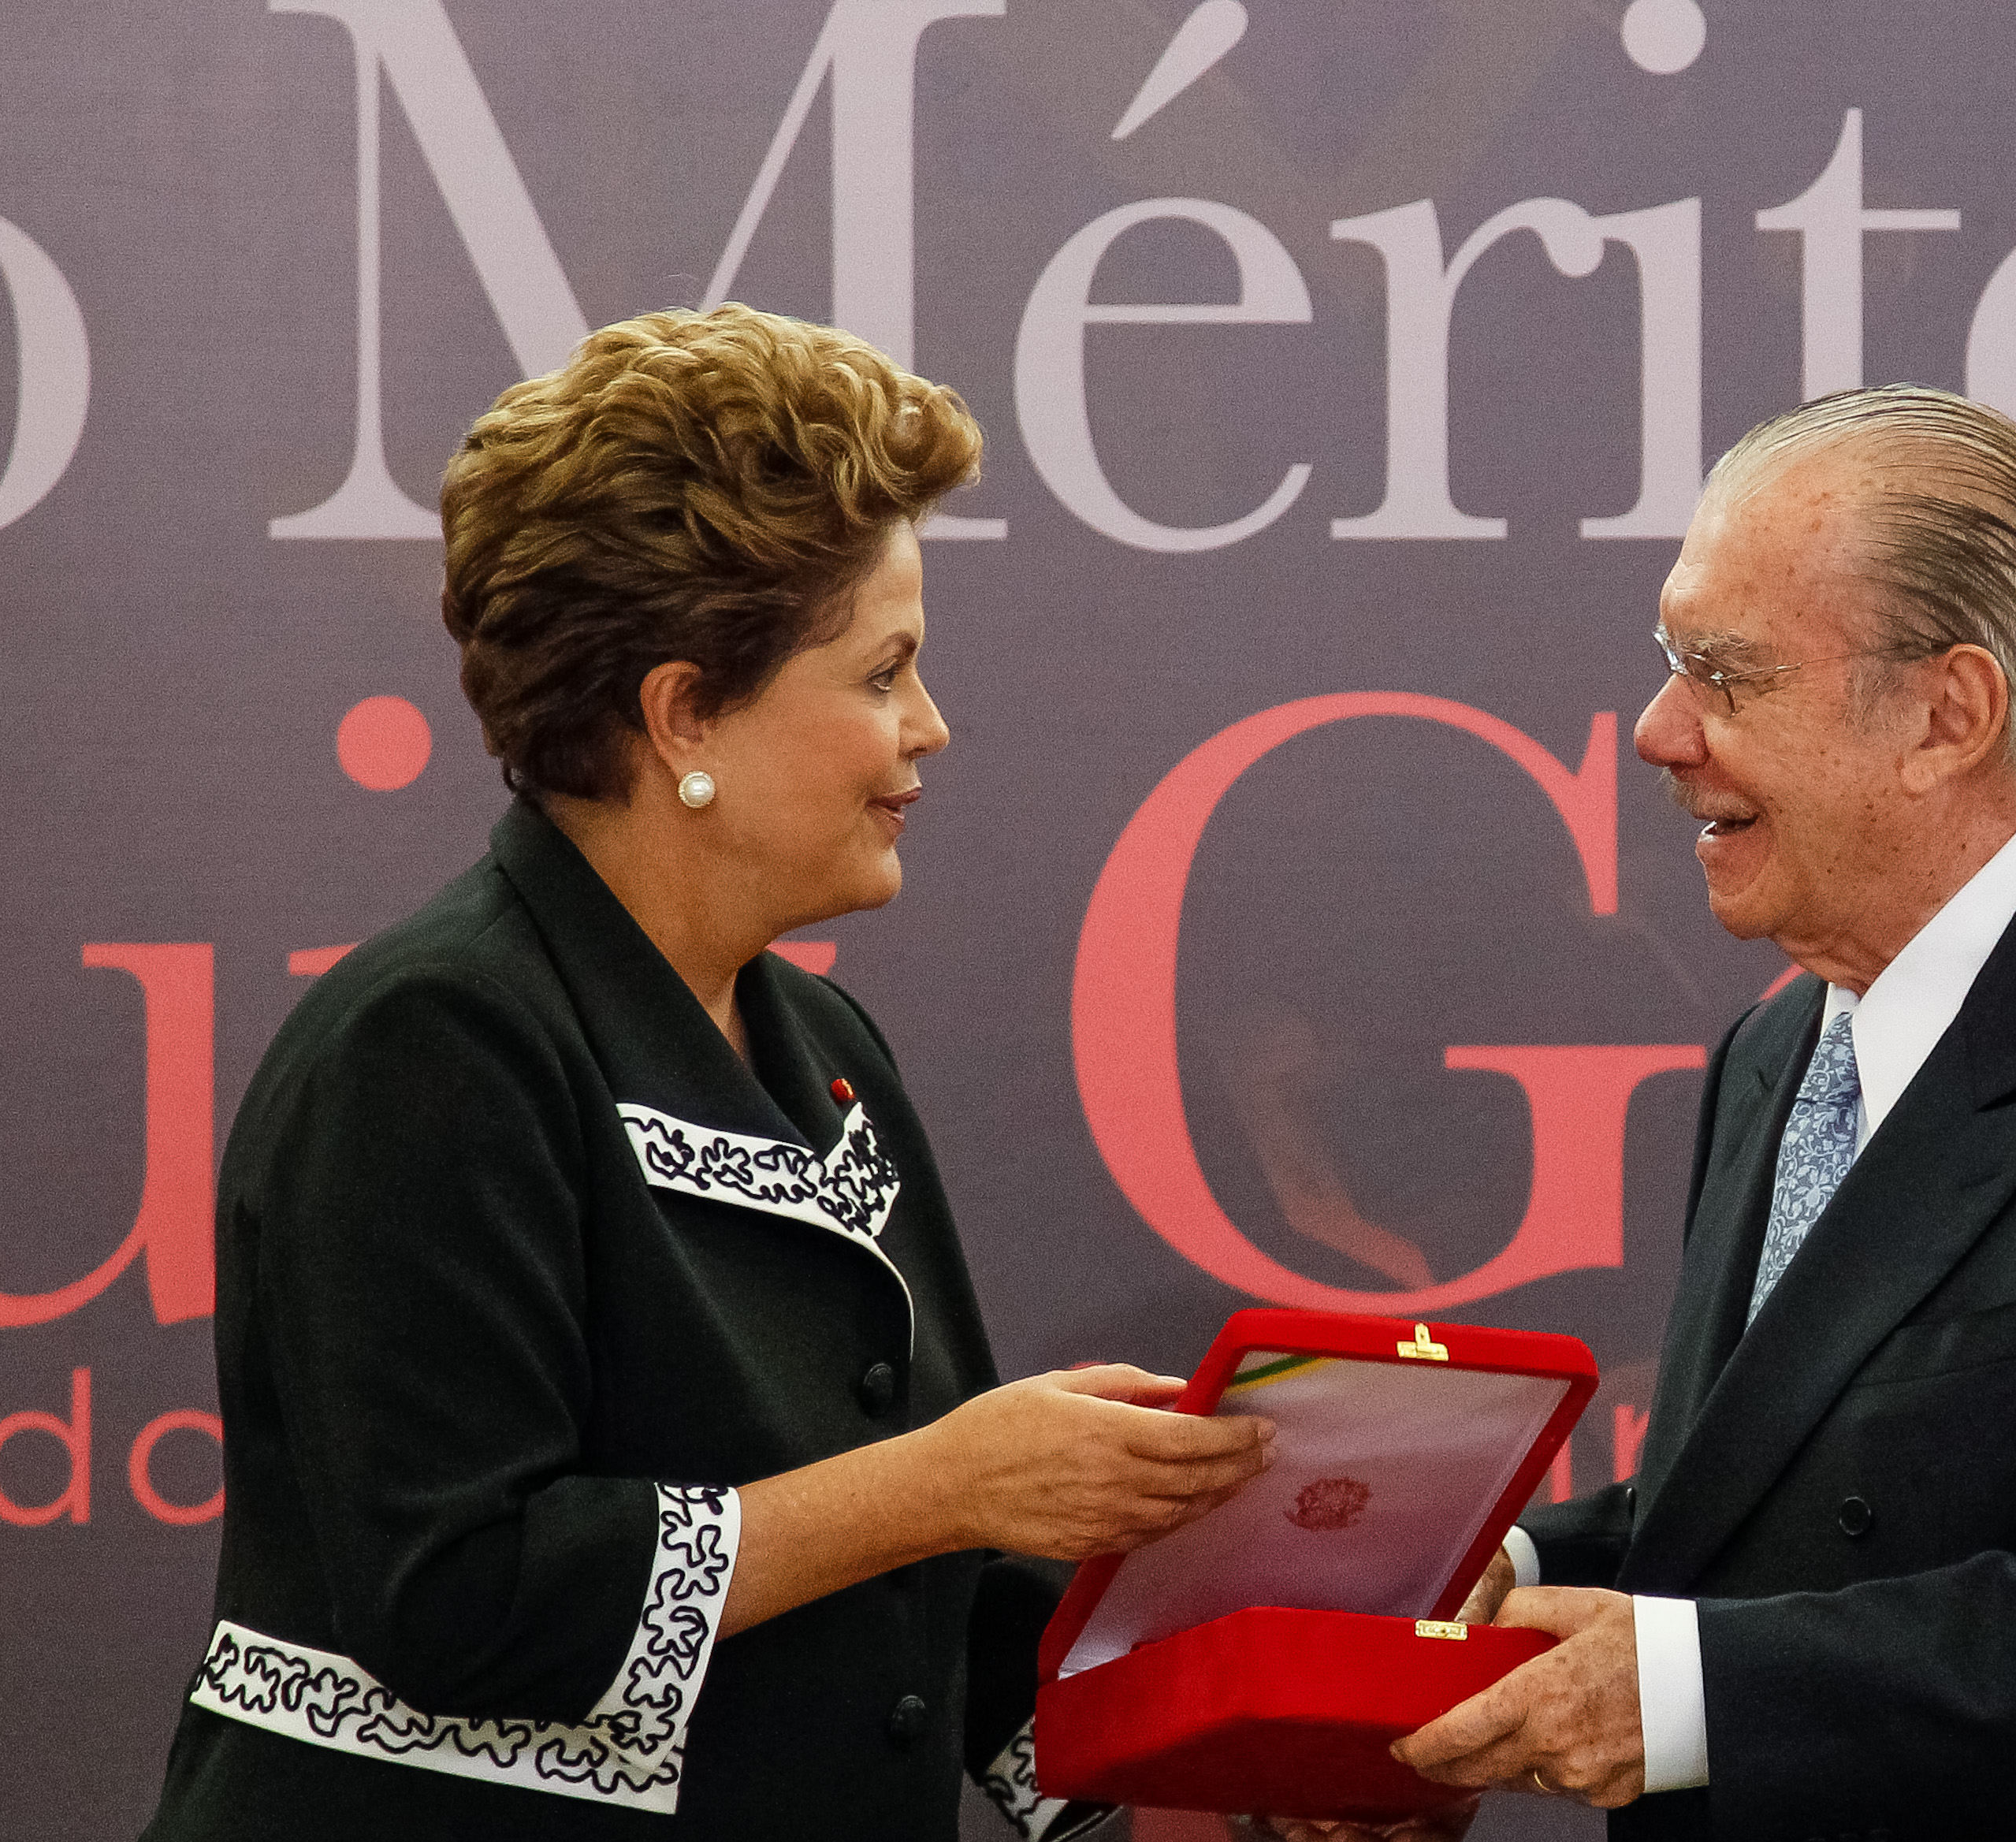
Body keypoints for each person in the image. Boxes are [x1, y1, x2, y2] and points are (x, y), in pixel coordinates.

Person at [141, 304, 1276, 1841]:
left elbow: (918, 1595)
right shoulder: (432, 1043)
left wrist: (1199, 1782)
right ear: (684, 714)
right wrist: (947, 1481)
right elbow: (459, 1594)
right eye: (883, 672)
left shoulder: (826, 1053)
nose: (927, 731)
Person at [1358, 387, 2016, 1840]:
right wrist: (1514, 1578)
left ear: (1944, 713)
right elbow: (1770, 1501)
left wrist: (1691, 1693)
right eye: (1672, 664)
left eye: (1729, 676)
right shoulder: (1779, 1041)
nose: (1658, 731)